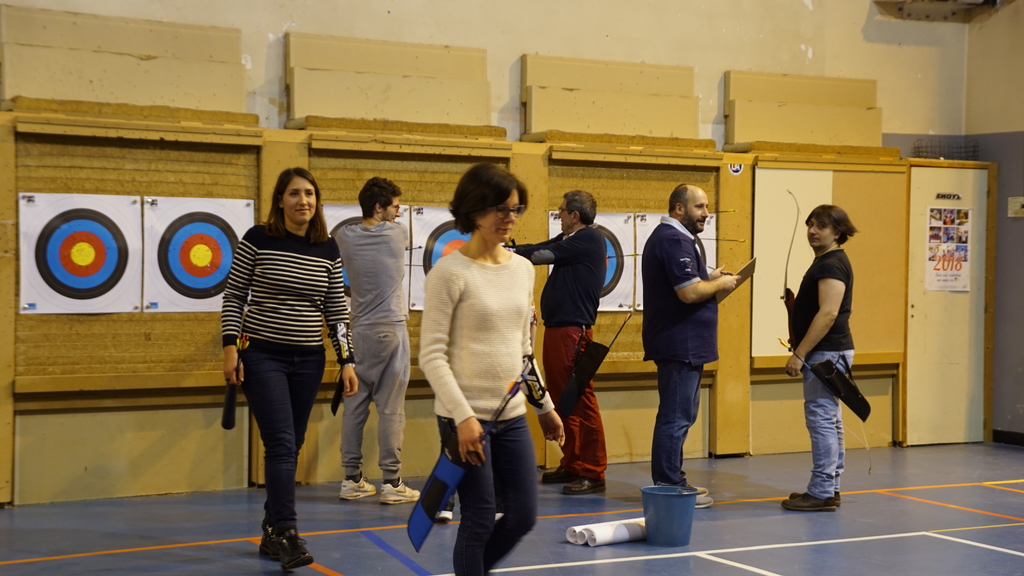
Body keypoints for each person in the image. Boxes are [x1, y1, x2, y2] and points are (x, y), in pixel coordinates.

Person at [419, 163, 564, 576]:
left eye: (516, 209)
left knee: (522, 516)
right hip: (463, 418)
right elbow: (431, 356)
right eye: (500, 208)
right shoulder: (449, 273)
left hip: (511, 416)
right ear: (474, 209)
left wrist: (544, 407)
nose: (510, 218)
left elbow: (523, 351)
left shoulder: (522, 269)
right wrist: (463, 418)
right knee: (480, 519)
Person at [221, 167, 358, 571]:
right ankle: (286, 531)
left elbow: (336, 310)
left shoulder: (327, 248)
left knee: (291, 443)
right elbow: (234, 295)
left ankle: (271, 529)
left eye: (310, 194)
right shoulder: (258, 239)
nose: (303, 201)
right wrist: (230, 348)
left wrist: (346, 360)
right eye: (295, 193)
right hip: (262, 355)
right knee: (281, 443)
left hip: (308, 360)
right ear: (280, 200)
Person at [640, 183, 737, 509]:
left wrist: (708, 277)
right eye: (699, 207)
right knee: (676, 417)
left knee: (680, 415)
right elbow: (688, 293)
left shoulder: (677, 238)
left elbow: (687, 284)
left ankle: (671, 481)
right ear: (679, 208)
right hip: (680, 344)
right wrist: (720, 283)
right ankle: (669, 486)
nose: (706, 213)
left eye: (707, 207)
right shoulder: (674, 239)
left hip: (683, 344)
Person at [511, 190, 608, 495]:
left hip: (572, 332)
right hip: (560, 330)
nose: (559, 215)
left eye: (562, 211)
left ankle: (593, 470)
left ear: (575, 216)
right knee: (561, 398)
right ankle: (573, 462)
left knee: (580, 399)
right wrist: (510, 250)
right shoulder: (571, 239)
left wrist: (506, 254)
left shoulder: (589, 238)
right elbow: (542, 247)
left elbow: (542, 255)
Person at [335, 177, 420, 504]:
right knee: (390, 408)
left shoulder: (344, 236)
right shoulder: (397, 234)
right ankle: (391, 482)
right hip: (390, 329)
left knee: (354, 405)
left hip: (358, 331)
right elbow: (391, 227)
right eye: (395, 207)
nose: (398, 213)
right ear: (378, 207)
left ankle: (351, 479)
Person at [782, 205, 858, 512]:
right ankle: (829, 487)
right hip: (828, 351)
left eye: (821, 226)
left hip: (826, 353)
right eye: (810, 224)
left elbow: (828, 314)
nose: (812, 231)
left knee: (822, 420)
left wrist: (799, 354)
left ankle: (823, 491)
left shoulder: (832, 264)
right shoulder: (827, 261)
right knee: (830, 419)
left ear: (837, 232)